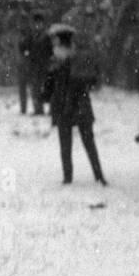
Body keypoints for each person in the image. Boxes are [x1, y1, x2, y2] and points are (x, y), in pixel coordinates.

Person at [41, 25, 106, 186]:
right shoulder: (72, 60)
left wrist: (47, 95)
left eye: (56, 42)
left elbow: (51, 85)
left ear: (61, 44)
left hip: (69, 105)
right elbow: (91, 81)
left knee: (71, 143)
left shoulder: (64, 62)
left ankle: (71, 177)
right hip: (76, 105)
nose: (54, 45)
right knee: (86, 142)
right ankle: (96, 176)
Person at [17, 11, 52, 116]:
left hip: (46, 65)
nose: (38, 25)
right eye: (36, 23)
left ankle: (52, 109)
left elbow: (51, 50)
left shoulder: (47, 36)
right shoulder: (31, 36)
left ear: (43, 24)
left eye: (39, 23)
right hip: (34, 66)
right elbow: (23, 47)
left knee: (49, 87)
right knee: (35, 89)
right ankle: (38, 109)